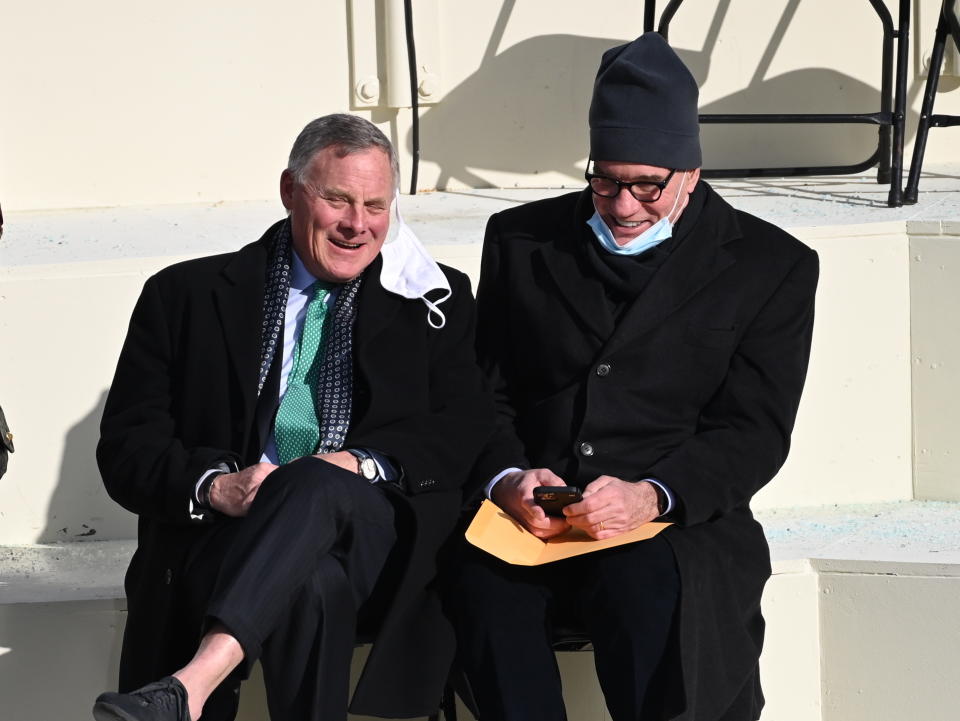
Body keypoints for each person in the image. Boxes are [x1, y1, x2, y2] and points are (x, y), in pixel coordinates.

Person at [446, 33, 819, 721]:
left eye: (647, 185)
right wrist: (508, 477)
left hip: (673, 521)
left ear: (691, 175)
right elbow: (486, 392)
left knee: (646, 588)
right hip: (535, 515)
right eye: (606, 180)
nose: (622, 206)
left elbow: (752, 432)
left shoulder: (772, 265)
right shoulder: (521, 240)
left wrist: (652, 495)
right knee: (477, 585)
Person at [92, 114, 493, 721]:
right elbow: (127, 448)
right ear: (290, 191)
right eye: (337, 199)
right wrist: (215, 486)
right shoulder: (184, 296)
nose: (358, 225)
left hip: (376, 538)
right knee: (311, 586)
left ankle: (192, 685)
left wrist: (352, 465)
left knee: (311, 480)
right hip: (225, 536)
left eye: (376, 205)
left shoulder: (435, 298)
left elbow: (462, 429)